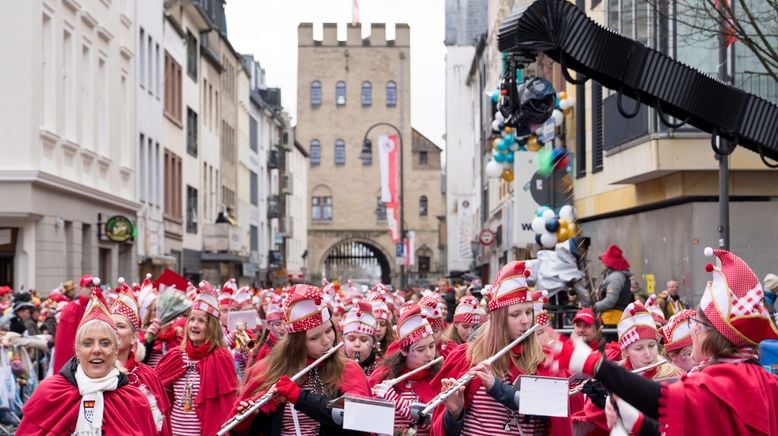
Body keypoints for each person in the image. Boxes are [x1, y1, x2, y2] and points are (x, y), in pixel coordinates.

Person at [547, 248, 778, 435]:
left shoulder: (725, 381)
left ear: (711, 333)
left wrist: (594, 365)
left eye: (696, 325)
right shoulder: (757, 379)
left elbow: (664, 400)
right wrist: (635, 422)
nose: (694, 331)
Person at [430, 261, 572, 436]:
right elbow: (446, 431)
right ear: (498, 320)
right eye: (515, 314)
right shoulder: (466, 357)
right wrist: (454, 412)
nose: (526, 321)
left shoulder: (545, 361)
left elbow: (553, 410)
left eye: (528, 312)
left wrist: (496, 388)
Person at [229, 284, 370, 435]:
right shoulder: (265, 371)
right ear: (297, 344)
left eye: (329, 331)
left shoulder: (348, 369)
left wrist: (300, 397)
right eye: (314, 337)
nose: (327, 341)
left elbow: (361, 423)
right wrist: (245, 422)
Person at [17, 291, 157, 435]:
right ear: (77, 350)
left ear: (115, 350)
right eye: (88, 343)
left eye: (105, 343)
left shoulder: (134, 401)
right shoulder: (50, 393)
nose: (96, 350)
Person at [572, 301, 681, 435]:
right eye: (639, 348)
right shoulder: (616, 376)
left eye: (651, 345)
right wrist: (604, 400)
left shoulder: (673, 376)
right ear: (625, 353)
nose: (648, 354)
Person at [155, 280, 238, 436]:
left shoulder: (220, 357)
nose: (194, 325)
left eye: (201, 321)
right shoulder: (176, 356)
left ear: (211, 327)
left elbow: (227, 403)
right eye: (192, 319)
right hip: (175, 432)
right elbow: (157, 391)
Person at [369, 306, 442, 436]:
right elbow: (370, 424)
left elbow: (437, 422)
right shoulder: (383, 376)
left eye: (431, 346)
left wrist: (395, 400)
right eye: (420, 350)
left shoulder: (439, 378)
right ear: (403, 351)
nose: (430, 354)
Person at [110, 282, 171, 435]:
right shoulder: (95, 371)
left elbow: (162, 424)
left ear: (133, 338)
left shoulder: (148, 375)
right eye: (111, 326)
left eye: (121, 326)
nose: (115, 330)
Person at [52, 275, 99, 373]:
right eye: (88, 286)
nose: (91, 289)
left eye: (93, 286)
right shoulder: (71, 309)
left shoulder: (99, 307)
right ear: (81, 288)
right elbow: (64, 343)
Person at [593, 245, 633, 330]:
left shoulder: (616, 277)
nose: (602, 263)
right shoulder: (617, 276)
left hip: (612, 321)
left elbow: (610, 301)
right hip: (613, 320)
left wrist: (593, 307)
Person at [341, 301, 379, 375]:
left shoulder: (380, 370)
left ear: (373, 342)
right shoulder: (336, 368)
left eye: (363, 340)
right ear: (344, 341)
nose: (357, 344)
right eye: (351, 339)